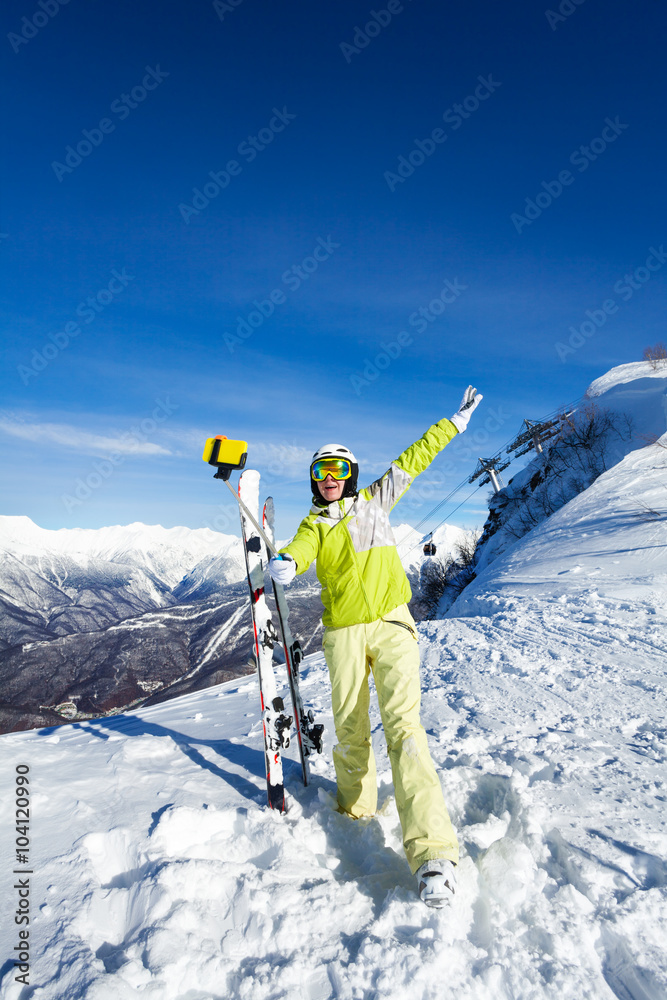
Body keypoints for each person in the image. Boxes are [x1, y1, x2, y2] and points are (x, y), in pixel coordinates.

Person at [268, 386, 483, 906]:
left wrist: (451, 424)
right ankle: (354, 815)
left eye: (339, 471)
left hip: (392, 623)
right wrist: (289, 562)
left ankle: (434, 855)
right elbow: (301, 547)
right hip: (342, 632)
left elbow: (415, 457)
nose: (331, 480)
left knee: (405, 728)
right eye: (322, 474)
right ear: (314, 483)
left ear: (353, 477)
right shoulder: (312, 524)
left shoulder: (375, 503)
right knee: (350, 728)